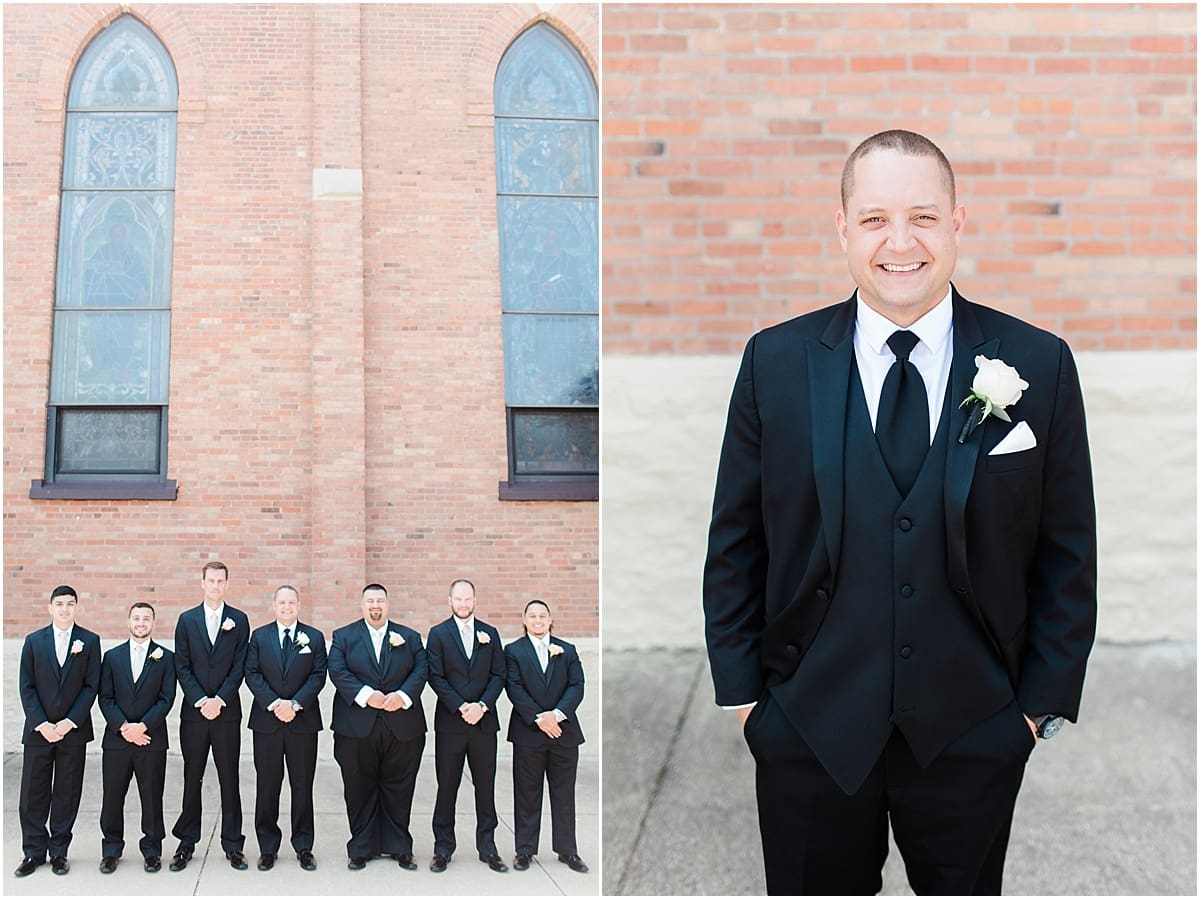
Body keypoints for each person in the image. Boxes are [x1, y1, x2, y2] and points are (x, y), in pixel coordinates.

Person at [703, 129, 1097, 895]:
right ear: (843, 228)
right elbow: (735, 542)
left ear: (957, 223)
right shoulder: (774, 362)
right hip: (808, 730)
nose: (900, 241)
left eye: (922, 215)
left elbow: (1067, 551)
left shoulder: (1040, 363)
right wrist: (751, 705)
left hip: (975, 729)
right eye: (876, 218)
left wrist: (1030, 715)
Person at [327, 583, 427, 871]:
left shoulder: (408, 637)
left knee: (399, 787)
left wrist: (403, 696)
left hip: (402, 725)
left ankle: (399, 847)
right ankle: (361, 846)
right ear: (362, 605)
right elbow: (337, 670)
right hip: (357, 726)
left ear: (387, 604)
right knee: (359, 787)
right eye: (370, 601)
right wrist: (366, 695)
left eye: (380, 601)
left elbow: (421, 668)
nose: (375, 606)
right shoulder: (344, 636)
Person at [15, 585, 102, 877]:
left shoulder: (89, 641)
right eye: (60, 604)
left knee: (67, 791)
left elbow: (91, 686)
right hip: (39, 732)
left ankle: (59, 852)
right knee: (33, 792)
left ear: (77, 607)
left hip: (73, 731)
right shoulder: (33, 641)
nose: (65, 609)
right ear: (50, 607)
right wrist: (42, 724)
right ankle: (33, 852)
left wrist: (69, 722)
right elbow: (26, 686)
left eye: (70, 604)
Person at [170, 561, 251, 871]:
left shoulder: (239, 620)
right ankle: (186, 842)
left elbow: (240, 665)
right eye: (211, 581)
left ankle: (233, 844)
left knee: (229, 777)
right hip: (194, 714)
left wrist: (220, 700)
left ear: (227, 584)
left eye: (221, 581)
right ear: (202, 583)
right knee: (193, 776)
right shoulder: (187, 620)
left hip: (227, 712)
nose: (216, 586)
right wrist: (202, 700)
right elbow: (182, 665)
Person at [244, 585, 328, 872]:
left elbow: (318, 676)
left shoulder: (314, 637)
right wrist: (274, 703)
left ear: (299, 605)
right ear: (274, 605)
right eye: (282, 602)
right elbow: (251, 673)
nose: (287, 607)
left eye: (292, 602)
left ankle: (304, 846)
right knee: (267, 786)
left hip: (302, 722)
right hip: (267, 723)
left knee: (302, 786)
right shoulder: (259, 636)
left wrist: (294, 704)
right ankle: (268, 847)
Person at [426, 578, 507, 873]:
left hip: (484, 723)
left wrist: (482, 706)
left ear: (475, 600)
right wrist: (462, 707)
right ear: (449, 601)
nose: (463, 604)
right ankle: (443, 848)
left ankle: (488, 847)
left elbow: (499, 675)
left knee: (485, 787)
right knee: (447, 786)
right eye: (458, 599)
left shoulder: (490, 633)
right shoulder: (438, 634)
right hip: (451, 723)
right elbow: (436, 676)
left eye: (468, 599)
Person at [504, 600, 588, 874]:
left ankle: (568, 850)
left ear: (550, 619)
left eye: (542, 616)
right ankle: (525, 850)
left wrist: (558, 715)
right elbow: (514, 687)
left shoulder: (568, 650)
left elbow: (577, 685)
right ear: (524, 620)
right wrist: (541, 719)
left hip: (564, 733)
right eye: (532, 616)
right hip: (529, 733)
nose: (538, 620)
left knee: (563, 793)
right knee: (527, 793)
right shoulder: (513, 651)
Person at [98, 602, 177, 874]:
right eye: (136, 618)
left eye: (146, 619)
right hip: (117, 740)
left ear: (153, 623)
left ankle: (152, 850)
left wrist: (142, 726)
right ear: (128, 621)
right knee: (112, 797)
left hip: (151, 739)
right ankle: (111, 849)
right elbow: (105, 697)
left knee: (152, 797)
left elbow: (167, 698)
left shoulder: (166, 658)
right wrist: (124, 727)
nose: (141, 623)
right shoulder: (111, 657)